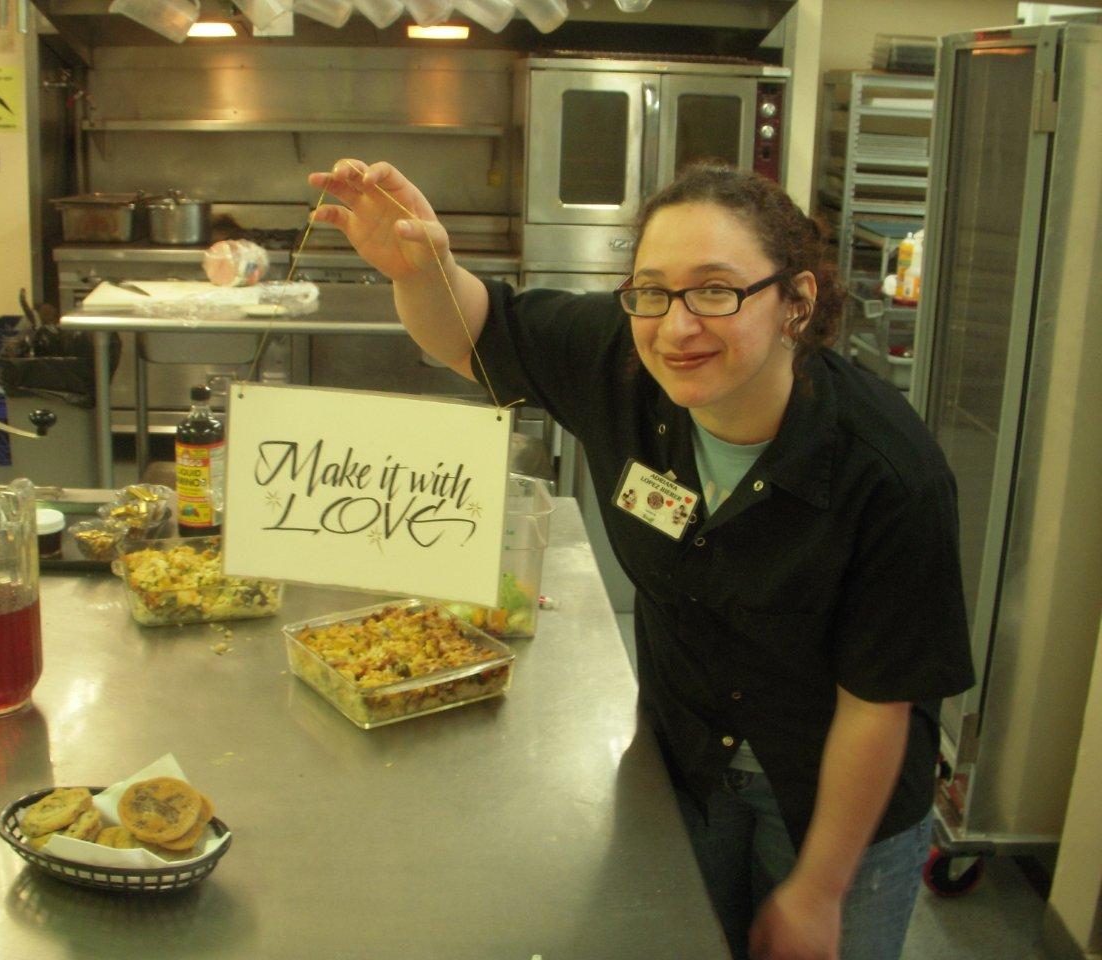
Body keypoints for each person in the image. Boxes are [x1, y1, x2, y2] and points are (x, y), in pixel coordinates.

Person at [307, 158, 975, 960]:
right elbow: (469, 332)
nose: (677, 327)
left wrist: (819, 890)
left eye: (716, 291)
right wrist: (424, 269)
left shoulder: (889, 471)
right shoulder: (620, 358)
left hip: (836, 803)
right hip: (682, 763)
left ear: (796, 302)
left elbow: (878, 708)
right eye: (652, 291)